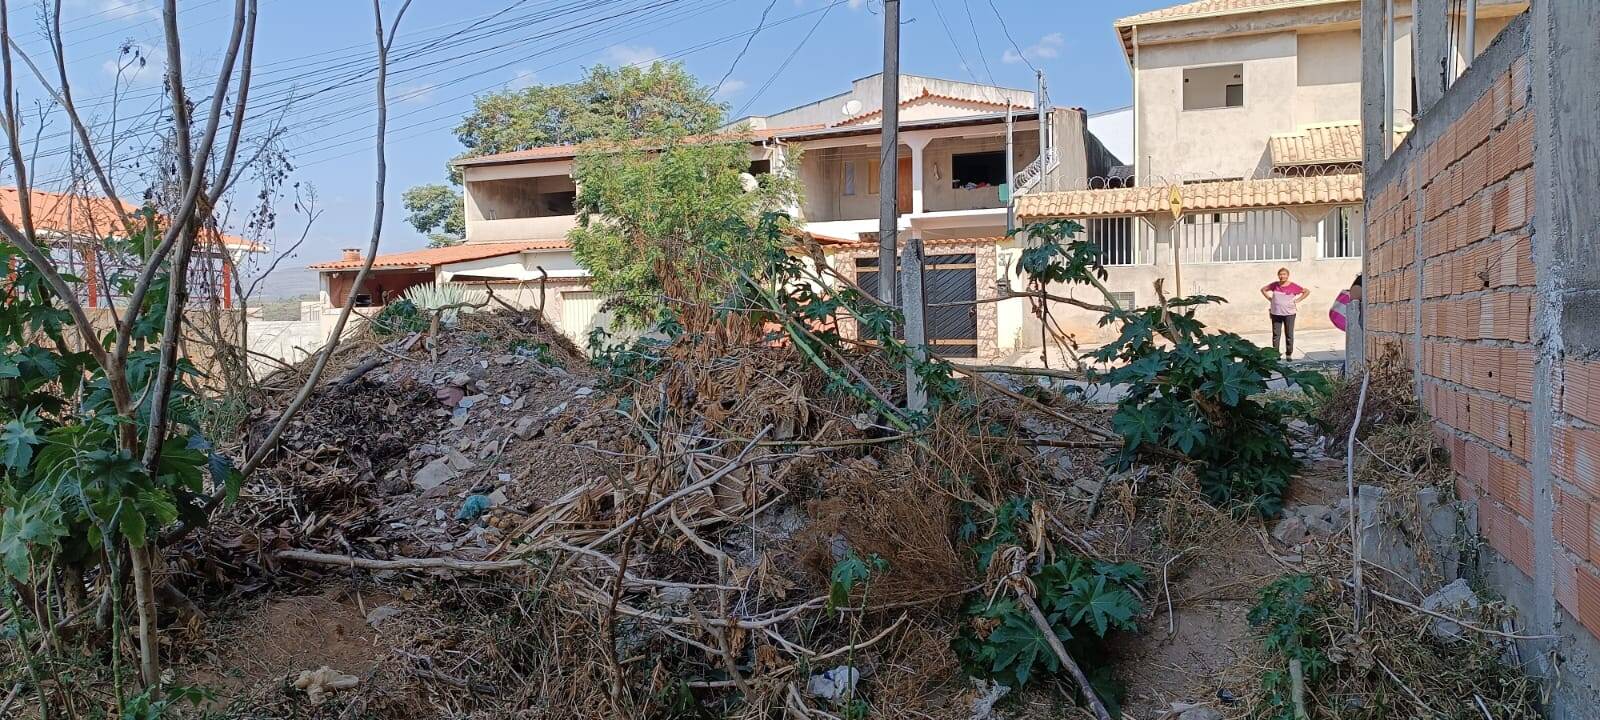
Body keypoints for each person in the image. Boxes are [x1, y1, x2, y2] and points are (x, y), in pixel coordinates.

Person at [1261, 267, 1310, 359]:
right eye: (1280, 274)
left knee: (1289, 334)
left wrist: (1298, 300)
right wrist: (1269, 299)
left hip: (1289, 314)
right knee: (1276, 335)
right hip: (1276, 313)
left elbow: (1306, 291)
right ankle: (1275, 354)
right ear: (1278, 275)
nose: (1282, 276)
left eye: (1284, 274)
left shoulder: (1293, 286)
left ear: (1288, 275)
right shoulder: (1274, 285)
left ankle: (1289, 354)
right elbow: (1263, 289)